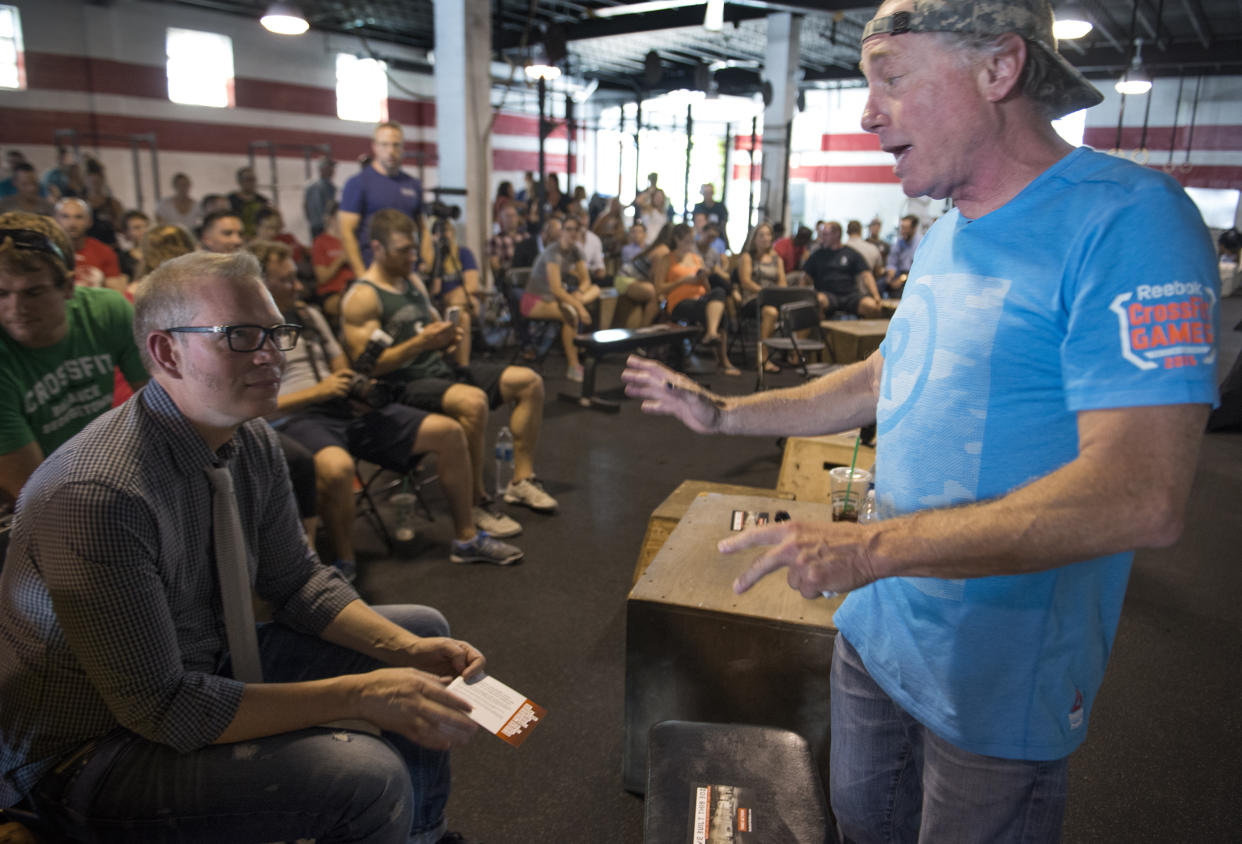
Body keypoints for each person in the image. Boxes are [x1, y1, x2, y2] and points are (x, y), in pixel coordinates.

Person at [623, 1, 1220, 841]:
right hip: (876, 631)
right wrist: (722, 415)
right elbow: (881, 377)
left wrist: (866, 548)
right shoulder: (947, 233)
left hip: (993, 680)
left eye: (892, 80)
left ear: (999, 69)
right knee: (863, 825)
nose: (868, 112)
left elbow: (1142, 493)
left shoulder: (1129, 220)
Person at [0, 249, 488, 844]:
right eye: (239, 336)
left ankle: (423, 836)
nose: (271, 355)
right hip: (86, 753)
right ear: (164, 352)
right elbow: (163, 709)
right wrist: (362, 694)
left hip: (193, 667)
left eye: (276, 333)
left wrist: (406, 650)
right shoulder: (99, 494)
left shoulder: (249, 435)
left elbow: (297, 583)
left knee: (417, 633)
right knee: (367, 775)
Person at [253, 240, 524, 573]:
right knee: (338, 469)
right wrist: (316, 394)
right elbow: (254, 407)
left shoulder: (308, 314)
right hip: (296, 418)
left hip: (340, 404)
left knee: (450, 431)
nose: (298, 285)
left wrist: (358, 386)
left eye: (296, 276)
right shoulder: (248, 332)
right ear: (262, 284)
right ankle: (344, 564)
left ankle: (466, 539)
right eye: (287, 280)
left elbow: (341, 366)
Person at [341, 209, 559, 516]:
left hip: (440, 372)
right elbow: (368, 368)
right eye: (403, 250)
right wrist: (420, 343)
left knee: (529, 382)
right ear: (377, 249)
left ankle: (521, 481)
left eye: (415, 247)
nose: (412, 257)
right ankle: (475, 503)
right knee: (474, 401)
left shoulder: (411, 281)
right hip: (400, 385)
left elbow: (433, 324)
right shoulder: (363, 296)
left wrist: (449, 333)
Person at [0, 212, 148, 506]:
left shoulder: (108, 312)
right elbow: (37, 497)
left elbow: (167, 407)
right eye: (1, 293)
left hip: (93, 471)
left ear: (68, 286)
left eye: (33, 292)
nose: (15, 308)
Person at [339, 122, 425, 278]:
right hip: (374, 270)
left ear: (403, 148)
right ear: (375, 147)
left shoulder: (413, 184)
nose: (391, 151)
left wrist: (426, 260)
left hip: (408, 272)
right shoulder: (358, 183)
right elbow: (347, 232)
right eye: (384, 145)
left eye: (396, 145)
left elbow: (422, 227)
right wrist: (361, 274)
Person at [653, 223, 739, 376]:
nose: (690, 244)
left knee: (719, 291)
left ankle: (712, 333)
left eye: (691, 241)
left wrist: (703, 278)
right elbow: (659, 288)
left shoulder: (696, 259)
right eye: (687, 241)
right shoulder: (667, 259)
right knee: (720, 313)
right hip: (679, 302)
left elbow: (707, 288)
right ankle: (722, 358)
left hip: (700, 298)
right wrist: (682, 281)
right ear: (677, 240)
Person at [521, 217, 593, 382]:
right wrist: (579, 307)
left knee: (593, 291)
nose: (573, 233)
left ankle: (577, 359)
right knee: (571, 314)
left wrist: (578, 296)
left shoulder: (576, 250)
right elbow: (556, 289)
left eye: (576, 229)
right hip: (536, 300)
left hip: (556, 298)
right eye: (568, 229)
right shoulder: (553, 252)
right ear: (562, 232)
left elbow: (586, 280)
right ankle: (573, 365)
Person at [425, 218, 483, 365]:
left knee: (463, 307)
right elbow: (434, 291)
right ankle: (462, 365)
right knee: (463, 317)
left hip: (460, 301)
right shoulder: (430, 259)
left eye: (447, 231)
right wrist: (436, 258)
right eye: (439, 232)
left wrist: (452, 298)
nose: (445, 235)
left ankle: (453, 353)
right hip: (439, 304)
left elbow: (472, 285)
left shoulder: (463, 253)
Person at [734, 222, 786, 374]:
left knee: (788, 309)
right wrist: (765, 293)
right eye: (761, 235)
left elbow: (782, 283)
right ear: (754, 238)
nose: (765, 238)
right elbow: (746, 282)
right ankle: (762, 358)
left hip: (773, 298)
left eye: (768, 234)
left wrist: (775, 294)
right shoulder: (747, 257)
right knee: (770, 312)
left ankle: (794, 354)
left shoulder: (777, 260)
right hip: (752, 298)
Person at [802, 221, 882, 318]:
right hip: (828, 295)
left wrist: (876, 296)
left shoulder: (850, 253)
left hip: (850, 295)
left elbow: (866, 275)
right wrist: (802, 297)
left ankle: (866, 332)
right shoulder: (817, 255)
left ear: (837, 234)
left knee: (871, 306)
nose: (822, 238)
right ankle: (821, 333)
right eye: (821, 234)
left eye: (825, 235)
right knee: (818, 301)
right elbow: (805, 278)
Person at [54, 197, 125, 291]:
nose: (72, 223)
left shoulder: (104, 252)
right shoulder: (47, 251)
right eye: (65, 217)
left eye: (78, 217)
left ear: (89, 221)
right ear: (55, 220)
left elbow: (116, 293)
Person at [311, 200, 354, 323]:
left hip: (353, 287)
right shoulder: (321, 242)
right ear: (331, 219)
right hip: (331, 292)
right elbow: (322, 277)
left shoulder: (351, 240)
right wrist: (341, 260)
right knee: (348, 304)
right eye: (341, 217)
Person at [228, 165, 271, 239]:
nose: (251, 183)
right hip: (237, 237)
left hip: (259, 238)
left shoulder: (262, 200)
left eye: (253, 179)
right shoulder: (230, 200)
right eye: (247, 179)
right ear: (239, 181)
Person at [886, 213, 921, 297]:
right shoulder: (899, 242)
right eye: (902, 228)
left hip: (913, 277)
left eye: (906, 228)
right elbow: (892, 261)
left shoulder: (921, 244)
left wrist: (903, 278)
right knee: (880, 285)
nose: (902, 231)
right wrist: (890, 272)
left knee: (900, 292)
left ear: (914, 228)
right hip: (898, 274)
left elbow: (919, 269)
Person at [303, 157, 336, 241]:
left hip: (321, 225)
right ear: (323, 168)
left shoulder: (329, 186)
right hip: (321, 226)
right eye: (330, 167)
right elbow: (318, 207)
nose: (333, 170)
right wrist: (326, 223)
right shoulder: (318, 186)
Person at [114, 209, 149, 281]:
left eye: (146, 226)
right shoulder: (122, 258)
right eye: (137, 227)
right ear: (126, 232)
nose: (144, 230)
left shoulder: (160, 252)